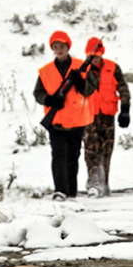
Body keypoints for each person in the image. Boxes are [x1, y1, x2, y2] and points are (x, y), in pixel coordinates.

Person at [33, 30, 99, 199]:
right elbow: (38, 93)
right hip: (56, 120)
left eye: (62, 46)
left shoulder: (81, 66)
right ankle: (60, 190)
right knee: (58, 155)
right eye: (55, 47)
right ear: (52, 49)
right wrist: (50, 100)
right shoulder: (45, 71)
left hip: (77, 119)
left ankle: (71, 191)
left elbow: (90, 90)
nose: (59, 49)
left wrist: (80, 83)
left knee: (73, 156)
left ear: (67, 46)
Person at [82, 36, 130, 197]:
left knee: (106, 151)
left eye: (96, 55)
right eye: (91, 55)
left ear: (101, 53)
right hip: (89, 116)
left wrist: (125, 109)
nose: (94, 58)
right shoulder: (82, 70)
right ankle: (94, 184)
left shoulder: (113, 67)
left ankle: (104, 184)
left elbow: (123, 88)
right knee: (90, 151)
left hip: (108, 116)